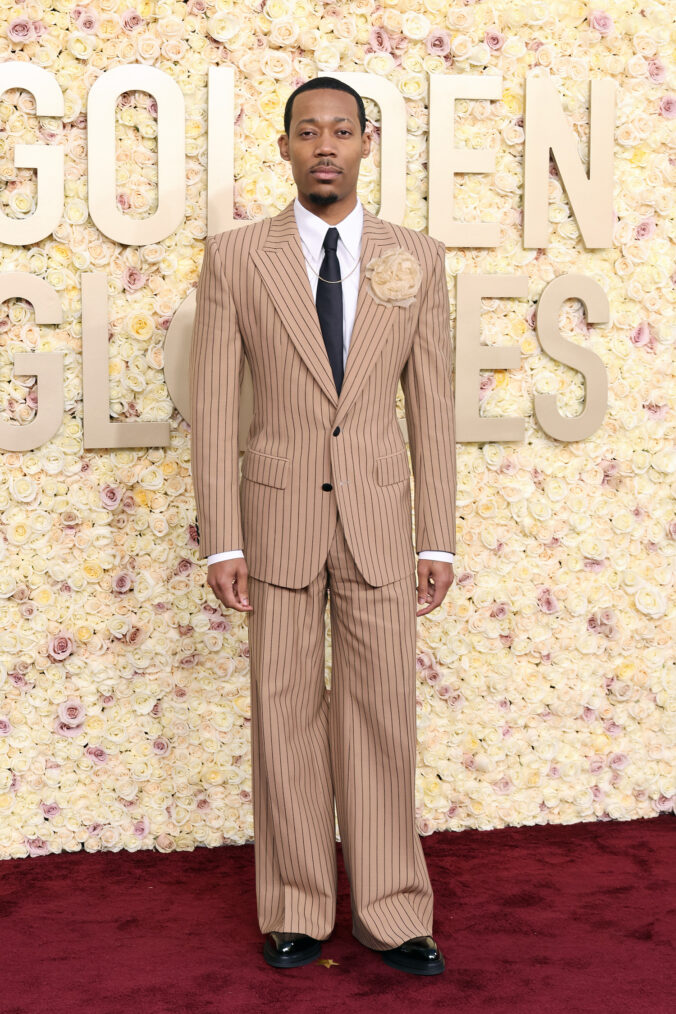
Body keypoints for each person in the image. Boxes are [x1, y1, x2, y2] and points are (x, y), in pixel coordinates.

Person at [189, 76, 456, 976]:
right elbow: (217, 406)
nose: (326, 146)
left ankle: (392, 910)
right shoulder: (235, 259)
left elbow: (433, 408)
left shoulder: (416, 255)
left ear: (366, 143)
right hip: (277, 516)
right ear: (286, 148)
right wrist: (222, 536)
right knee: (284, 712)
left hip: (382, 519)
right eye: (308, 132)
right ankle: (297, 905)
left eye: (341, 130)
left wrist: (437, 535)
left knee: (384, 714)